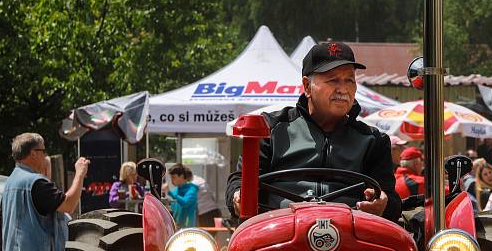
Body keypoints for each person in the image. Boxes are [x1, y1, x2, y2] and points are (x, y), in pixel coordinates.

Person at [226, 41, 400, 221]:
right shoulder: (270, 128)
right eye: (333, 79)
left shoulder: (374, 140)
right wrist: (238, 196)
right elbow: (239, 181)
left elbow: (392, 201)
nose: (343, 89)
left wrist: (383, 204)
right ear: (307, 86)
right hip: (278, 232)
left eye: (349, 79)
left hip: (352, 236)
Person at [167, 164, 198, 228]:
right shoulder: (176, 190)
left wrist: (169, 192)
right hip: (177, 228)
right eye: (171, 177)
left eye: (173, 177)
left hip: (188, 229)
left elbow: (185, 202)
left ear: (182, 176)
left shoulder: (192, 189)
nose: (171, 180)